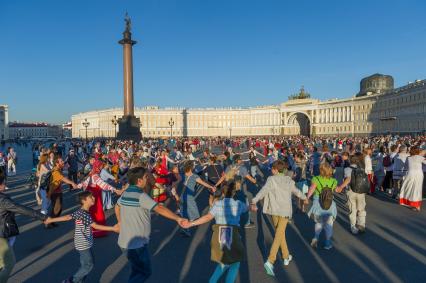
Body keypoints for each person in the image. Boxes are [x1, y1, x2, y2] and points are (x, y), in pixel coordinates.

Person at [115, 167, 187, 283]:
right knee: (145, 272)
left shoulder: (126, 192)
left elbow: (117, 207)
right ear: (139, 181)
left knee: (136, 270)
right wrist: (178, 218)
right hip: (136, 244)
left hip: (125, 242)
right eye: (145, 177)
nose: (147, 179)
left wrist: (119, 222)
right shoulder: (141, 196)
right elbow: (159, 208)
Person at [45, 191, 120, 283]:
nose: (94, 198)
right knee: (88, 265)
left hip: (83, 242)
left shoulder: (80, 211)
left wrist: (51, 219)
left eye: (93, 196)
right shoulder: (84, 214)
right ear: (84, 200)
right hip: (83, 243)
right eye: (91, 197)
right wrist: (112, 228)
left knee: (86, 264)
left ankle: (78, 281)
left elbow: (68, 217)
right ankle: (72, 280)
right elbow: (95, 226)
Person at [182, 182, 248, 283]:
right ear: (234, 193)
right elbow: (247, 207)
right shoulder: (238, 204)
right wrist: (253, 207)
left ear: (222, 193)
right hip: (234, 235)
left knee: (223, 263)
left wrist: (191, 224)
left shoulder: (218, 204)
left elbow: (208, 217)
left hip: (221, 234)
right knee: (235, 263)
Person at [250, 160, 306, 277]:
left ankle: (278, 258)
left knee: (279, 234)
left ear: (276, 169)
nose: (271, 170)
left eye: (272, 168)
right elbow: (296, 191)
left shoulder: (271, 179)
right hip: (285, 210)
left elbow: (263, 191)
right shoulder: (288, 180)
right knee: (280, 234)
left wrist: (254, 200)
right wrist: (304, 197)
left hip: (274, 210)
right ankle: (278, 258)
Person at [0, 168, 47, 282]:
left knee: (2, 263)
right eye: (3, 182)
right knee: (9, 263)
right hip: (1, 236)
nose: (5, 184)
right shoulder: (2, 200)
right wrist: (42, 216)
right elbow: (20, 209)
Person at [78, 159, 123, 237]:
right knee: (97, 213)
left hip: (90, 198)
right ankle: (98, 231)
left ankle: (91, 229)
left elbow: (84, 183)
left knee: (91, 213)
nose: (101, 168)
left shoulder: (91, 174)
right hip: (95, 198)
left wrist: (78, 185)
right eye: (100, 166)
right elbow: (103, 185)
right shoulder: (95, 176)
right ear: (97, 167)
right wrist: (115, 189)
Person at [305, 162, 344, 250]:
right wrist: (340, 187)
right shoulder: (333, 181)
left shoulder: (316, 179)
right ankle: (327, 242)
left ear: (321, 170)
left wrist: (307, 197)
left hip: (318, 203)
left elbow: (312, 189)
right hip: (329, 204)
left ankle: (316, 238)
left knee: (319, 223)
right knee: (329, 224)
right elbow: (337, 190)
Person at [180, 161, 216, 237]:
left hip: (182, 196)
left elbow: (177, 181)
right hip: (189, 197)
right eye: (193, 166)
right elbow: (203, 183)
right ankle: (187, 228)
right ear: (191, 167)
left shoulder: (183, 175)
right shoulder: (194, 176)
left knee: (184, 212)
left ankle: (184, 227)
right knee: (194, 214)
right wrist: (211, 187)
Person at [336, 153, 369, 234]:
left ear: (350, 161)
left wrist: (341, 187)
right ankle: (361, 224)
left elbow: (348, 179)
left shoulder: (347, 169)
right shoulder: (361, 168)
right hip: (361, 191)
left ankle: (353, 227)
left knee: (352, 210)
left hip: (351, 191)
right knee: (361, 208)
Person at [47, 156, 78, 225]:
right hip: (54, 192)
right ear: (57, 163)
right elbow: (63, 179)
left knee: (58, 208)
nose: (63, 162)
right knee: (57, 208)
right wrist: (72, 183)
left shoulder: (58, 169)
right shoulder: (55, 172)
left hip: (58, 191)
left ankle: (52, 222)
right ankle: (49, 222)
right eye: (61, 161)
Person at [399, 147, 426, 212]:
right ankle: (417, 205)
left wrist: (403, 174)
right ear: (417, 151)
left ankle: (410, 203)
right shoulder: (420, 158)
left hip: (410, 173)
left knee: (409, 188)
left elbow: (405, 167)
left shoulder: (408, 158)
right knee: (417, 189)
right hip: (419, 174)